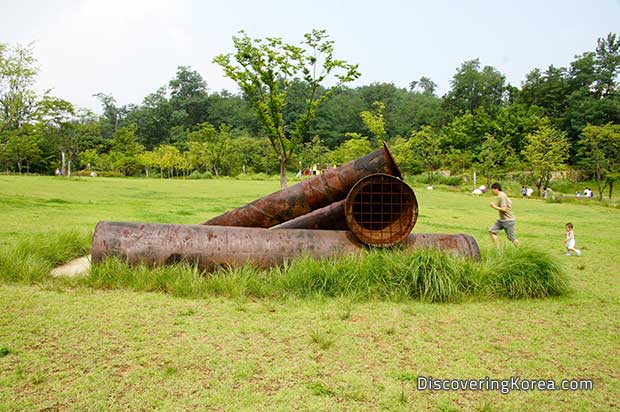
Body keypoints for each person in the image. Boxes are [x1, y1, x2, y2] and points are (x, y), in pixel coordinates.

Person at [488, 182, 520, 247]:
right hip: (502, 220)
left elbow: (504, 209)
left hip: (508, 220)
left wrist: (494, 206)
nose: (492, 192)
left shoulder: (502, 196)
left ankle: (520, 249)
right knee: (492, 231)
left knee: (511, 238)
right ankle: (498, 250)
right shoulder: (500, 196)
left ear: (496, 189)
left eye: (492, 190)